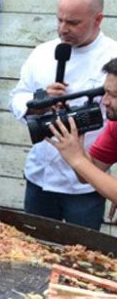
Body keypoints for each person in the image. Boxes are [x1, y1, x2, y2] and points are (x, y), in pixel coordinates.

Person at [9, 0, 117, 230]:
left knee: (81, 251)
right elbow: (16, 97)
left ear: (98, 19)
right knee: (33, 250)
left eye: (73, 23)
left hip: (85, 184)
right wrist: (36, 104)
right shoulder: (42, 52)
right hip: (39, 175)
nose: (63, 29)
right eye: (59, 20)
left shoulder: (113, 57)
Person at [49, 58, 117, 209]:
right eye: (105, 92)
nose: (105, 102)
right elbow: (87, 176)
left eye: (114, 95)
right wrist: (77, 151)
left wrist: (78, 160)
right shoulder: (114, 127)